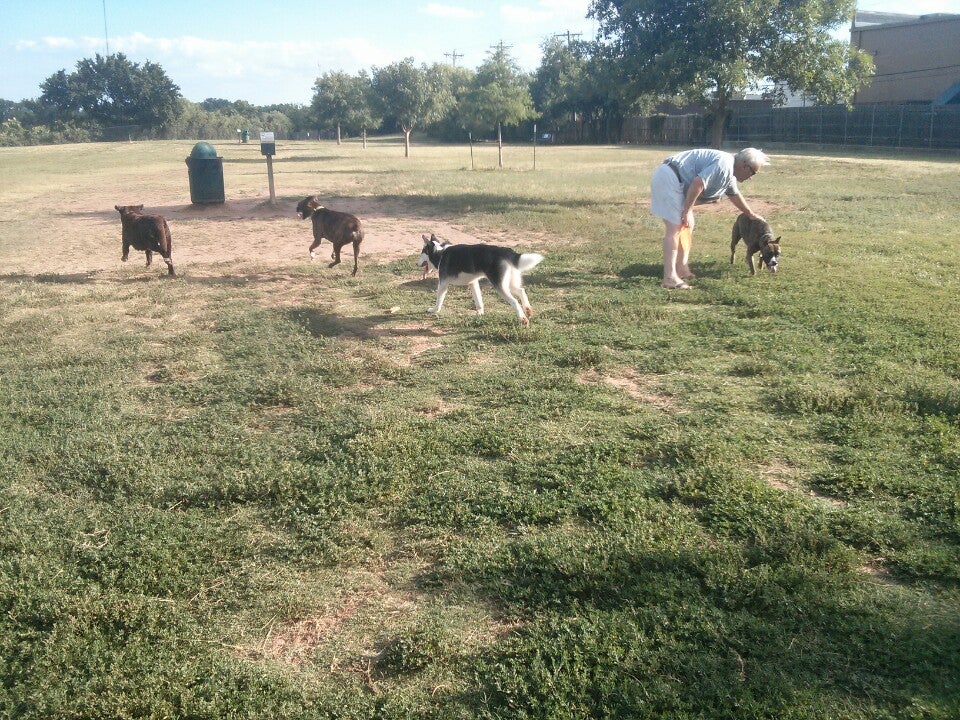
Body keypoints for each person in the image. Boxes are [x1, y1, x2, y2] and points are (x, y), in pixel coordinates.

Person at [650, 147, 769, 289]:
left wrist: (750, 214)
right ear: (744, 166)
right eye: (753, 172)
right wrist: (686, 211)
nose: (751, 177)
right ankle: (669, 278)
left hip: (674, 179)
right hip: (670, 178)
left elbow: (733, 194)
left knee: (688, 224)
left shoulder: (729, 171)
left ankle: (681, 268)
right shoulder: (723, 165)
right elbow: (697, 184)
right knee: (675, 228)